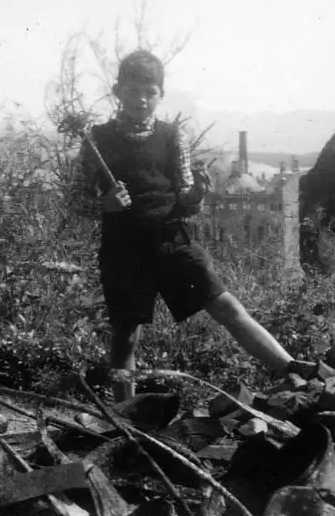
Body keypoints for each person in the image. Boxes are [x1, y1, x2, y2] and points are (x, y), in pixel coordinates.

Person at [70, 50, 303, 401]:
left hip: (171, 241)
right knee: (125, 336)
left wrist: (197, 192)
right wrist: (105, 204)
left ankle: (297, 374)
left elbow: (185, 200)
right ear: (118, 92)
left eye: (150, 92)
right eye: (133, 91)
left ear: (160, 96)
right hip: (123, 250)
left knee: (226, 306)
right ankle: (126, 417)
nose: (141, 100)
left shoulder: (171, 136)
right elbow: (75, 201)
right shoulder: (96, 140)